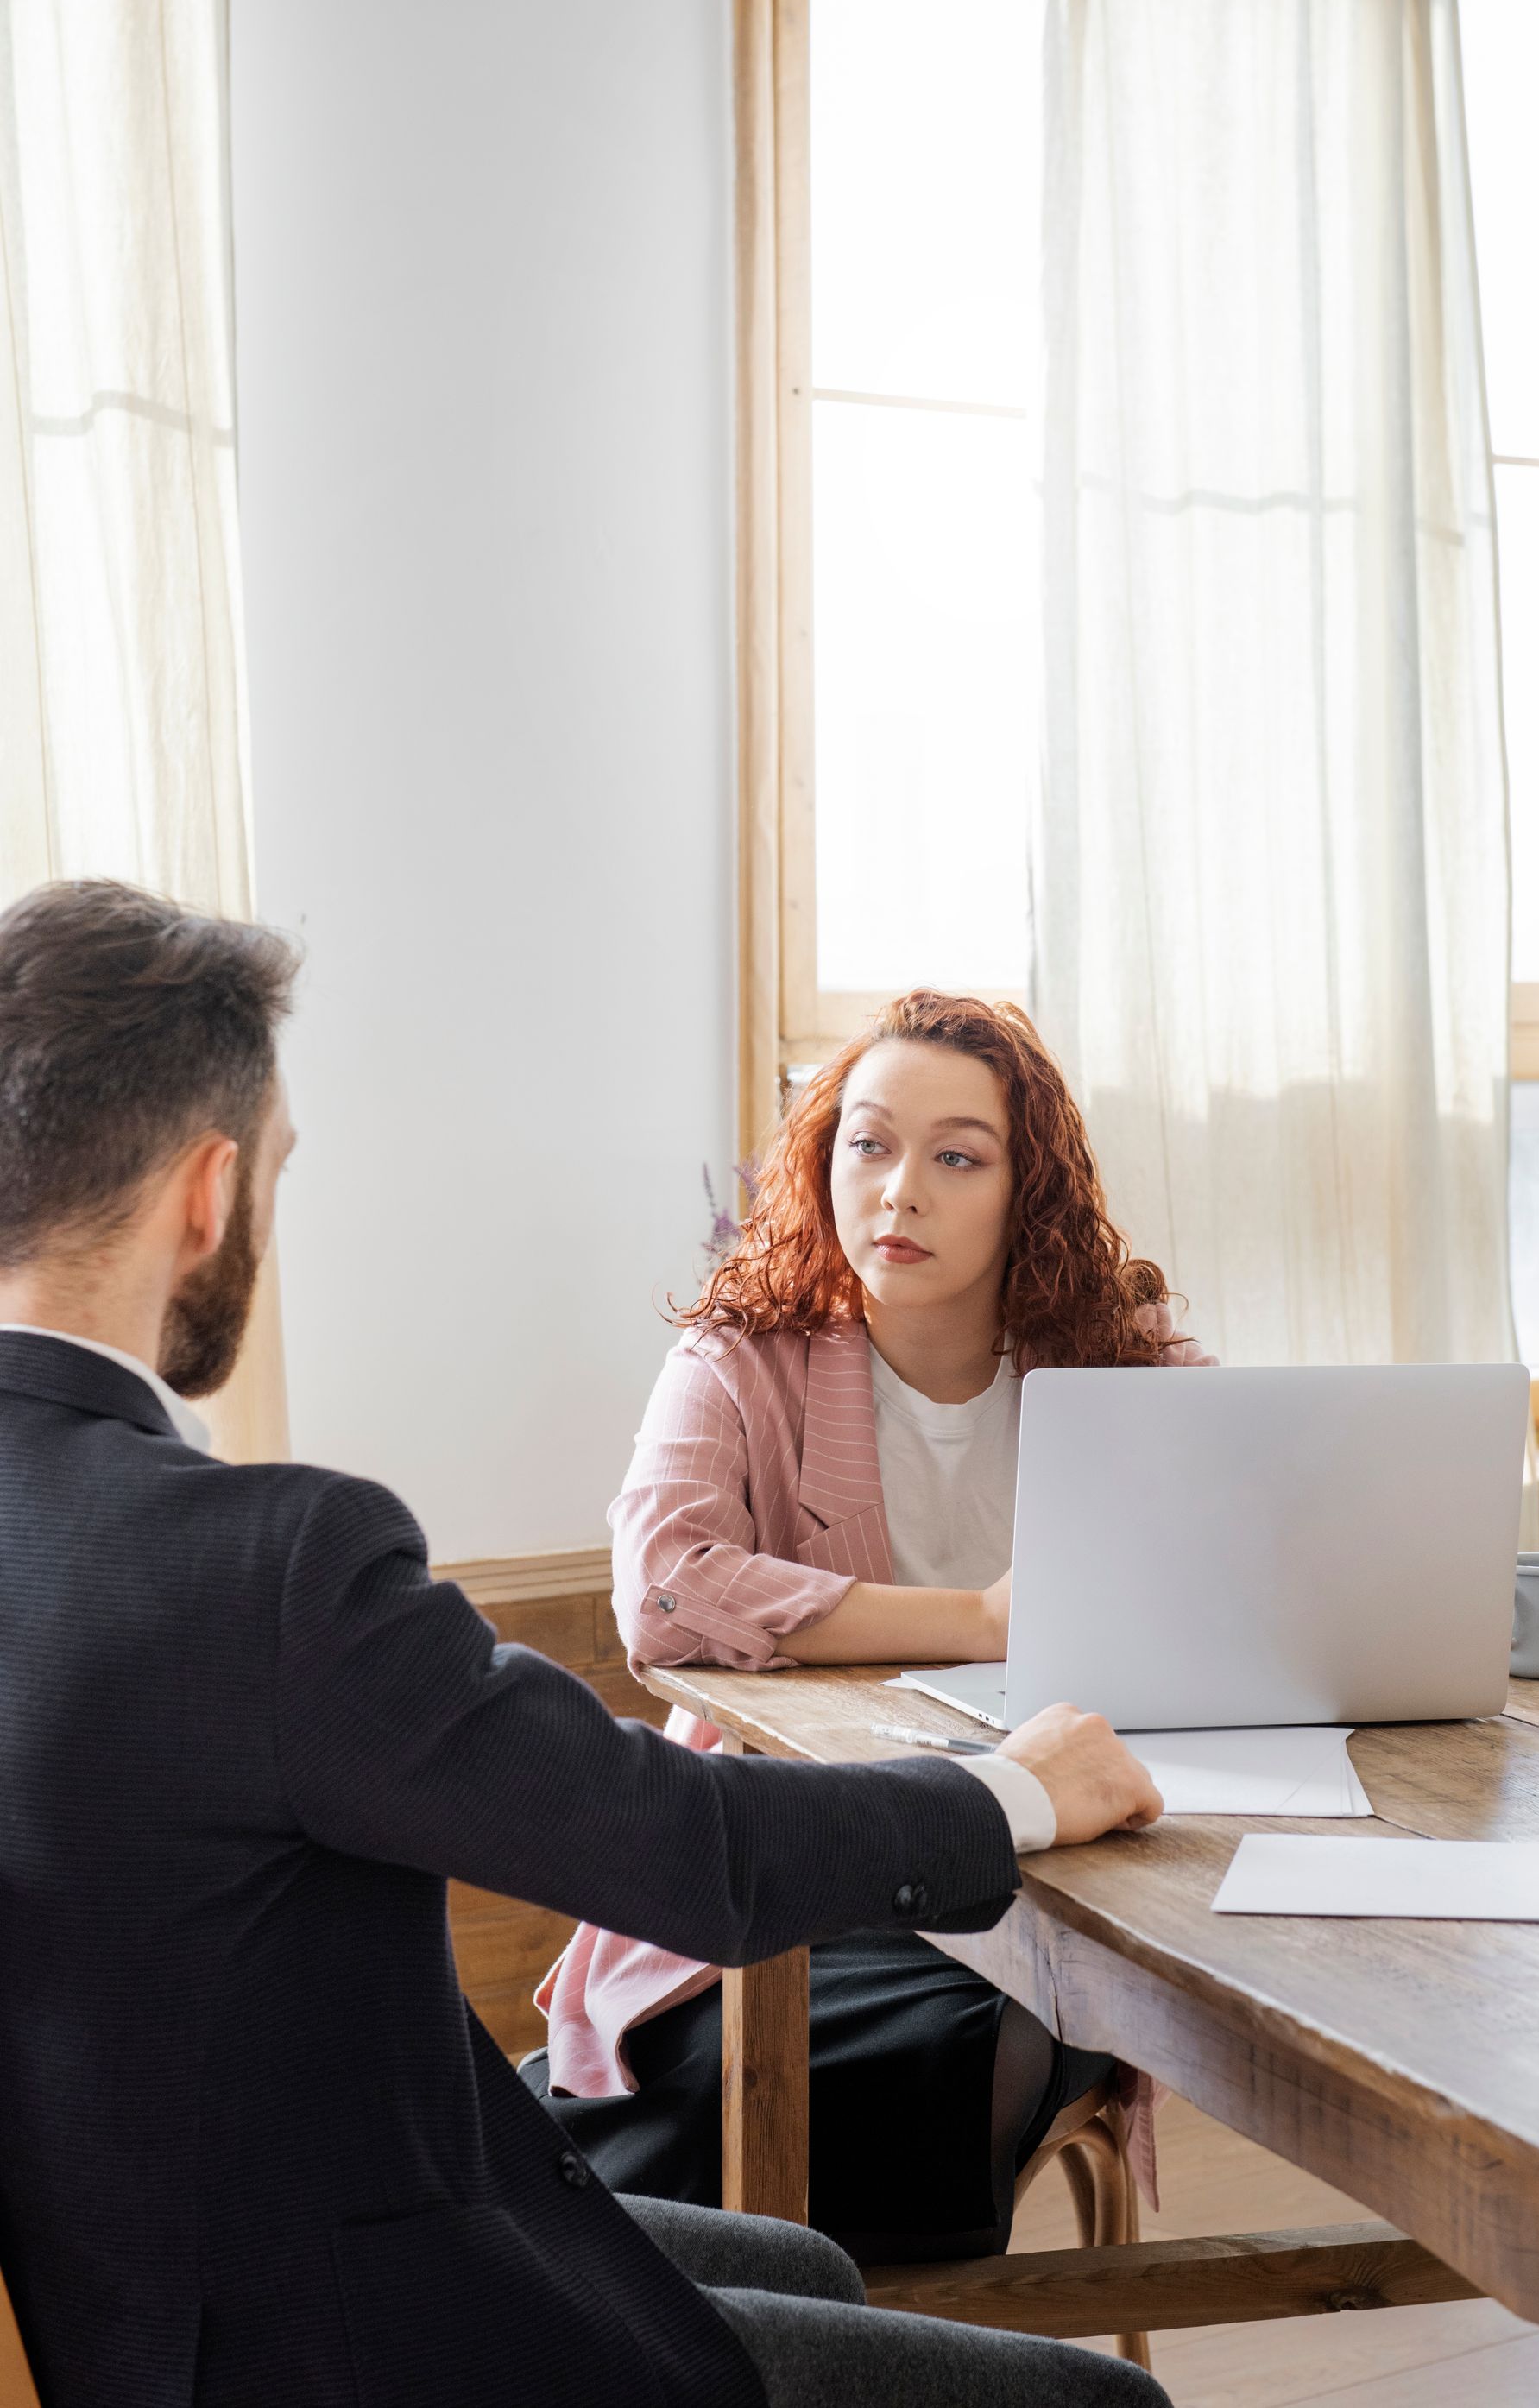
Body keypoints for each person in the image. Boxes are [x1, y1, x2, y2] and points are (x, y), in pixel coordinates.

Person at [0, 883, 1172, 2408]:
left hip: (125, 2289)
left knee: (805, 2265)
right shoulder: (266, 1563)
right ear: (212, 1193)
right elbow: (679, 1846)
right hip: (345, 2337)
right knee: (1108, 2406)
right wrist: (1014, 1793)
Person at [531, 990, 1215, 2259]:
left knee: (972, 2035)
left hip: (1052, 1877)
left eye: (957, 1156)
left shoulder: (1123, 1367)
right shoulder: (741, 1353)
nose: (900, 1188)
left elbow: (1232, 1569)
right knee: (865, 2061)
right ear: (823, 1157)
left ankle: (831, 2338)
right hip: (804, 1858)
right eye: (868, 1142)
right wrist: (978, 1619)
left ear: (1029, 1190)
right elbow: (666, 1590)